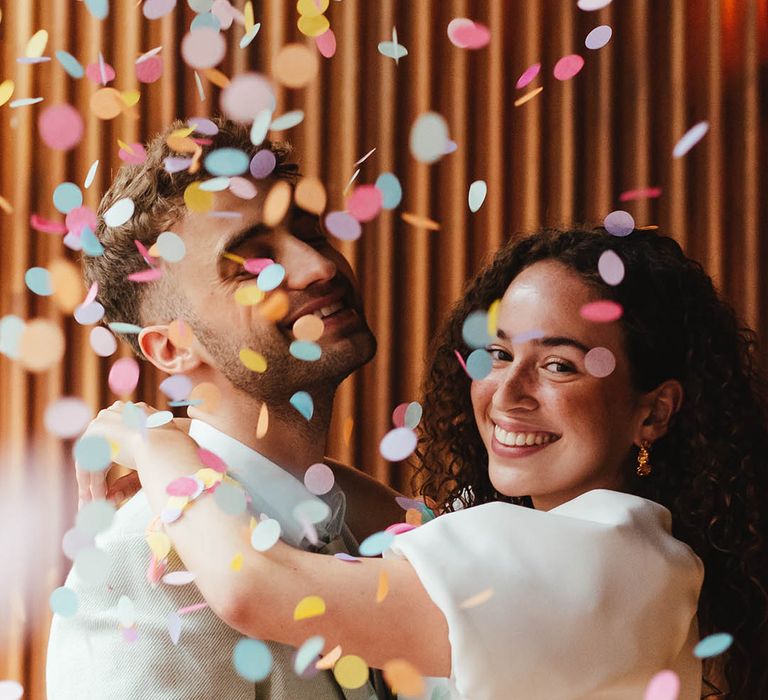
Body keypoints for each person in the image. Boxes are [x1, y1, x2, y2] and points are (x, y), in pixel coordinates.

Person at [85, 226, 768, 699]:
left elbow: (252, 588)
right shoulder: (616, 547)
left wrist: (157, 441)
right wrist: (249, 459)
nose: (507, 392)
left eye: (559, 364)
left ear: (653, 412)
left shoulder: (598, 558)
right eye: (498, 354)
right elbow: (411, 524)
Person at [47, 118, 401, 700]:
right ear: (170, 347)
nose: (322, 269)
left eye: (310, 236)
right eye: (254, 265)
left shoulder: (359, 530)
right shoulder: (143, 561)